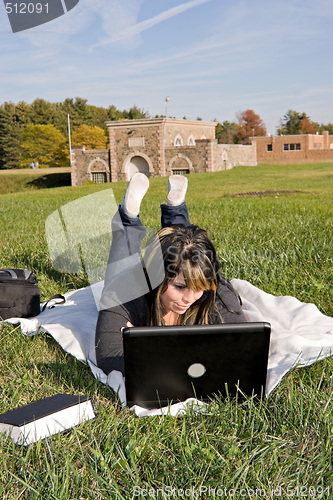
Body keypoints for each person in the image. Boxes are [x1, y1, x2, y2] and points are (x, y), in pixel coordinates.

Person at [95, 173, 247, 375]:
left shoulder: (216, 292)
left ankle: (176, 209)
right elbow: (108, 357)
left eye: (199, 288)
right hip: (133, 283)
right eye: (180, 286)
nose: (190, 298)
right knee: (123, 262)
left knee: (185, 246)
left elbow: (245, 347)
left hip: (178, 261)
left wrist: (145, 348)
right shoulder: (121, 294)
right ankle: (128, 218)